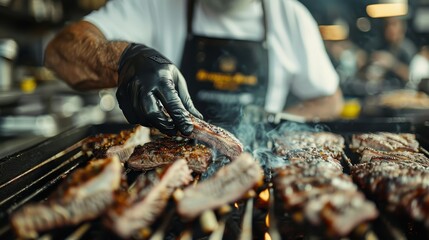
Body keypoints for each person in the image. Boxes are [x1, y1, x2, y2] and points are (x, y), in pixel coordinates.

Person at [44, 0, 344, 135]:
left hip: (254, 162)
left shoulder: (290, 16)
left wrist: (276, 122)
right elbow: (60, 52)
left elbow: (330, 100)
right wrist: (124, 59)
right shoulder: (156, 5)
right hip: (173, 157)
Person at [367, 17, 417, 85]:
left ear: (402, 27)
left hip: (404, 91)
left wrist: (392, 63)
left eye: (394, 25)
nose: (390, 29)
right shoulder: (383, 46)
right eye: (387, 25)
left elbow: (413, 76)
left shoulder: (407, 48)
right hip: (384, 89)